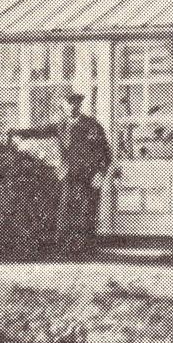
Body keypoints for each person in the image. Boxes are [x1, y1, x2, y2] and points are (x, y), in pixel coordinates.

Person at [42, 91, 110, 255]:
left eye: (76, 103)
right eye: (69, 103)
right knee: (66, 211)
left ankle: (87, 250)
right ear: (63, 106)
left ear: (80, 105)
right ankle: (65, 250)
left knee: (87, 212)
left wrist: (100, 173)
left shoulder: (92, 125)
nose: (73, 106)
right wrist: (17, 132)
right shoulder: (61, 126)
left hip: (89, 176)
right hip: (70, 175)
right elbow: (40, 131)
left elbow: (106, 153)